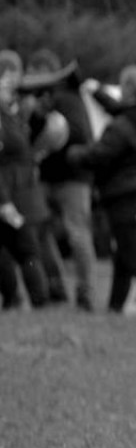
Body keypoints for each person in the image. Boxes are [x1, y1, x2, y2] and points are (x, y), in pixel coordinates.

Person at [66, 66, 136, 314]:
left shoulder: (122, 128)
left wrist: (72, 152)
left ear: (128, 91)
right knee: (125, 258)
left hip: (127, 202)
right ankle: (114, 310)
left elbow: (98, 155)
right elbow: (121, 110)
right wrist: (98, 93)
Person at [20, 51, 98, 311]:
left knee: (78, 235)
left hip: (73, 180)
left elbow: (78, 134)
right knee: (40, 233)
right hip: (45, 179)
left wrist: (48, 121)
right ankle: (55, 288)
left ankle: (85, 294)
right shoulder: (35, 101)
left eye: (32, 71)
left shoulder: (68, 97)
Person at [0, 50, 50, 309]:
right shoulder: (7, 116)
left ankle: (36, 301)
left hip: (18, 193)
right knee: (21, 250)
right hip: (10, 193)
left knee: (27, 249)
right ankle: (15, 300)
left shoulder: (13, 114)